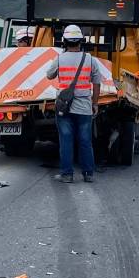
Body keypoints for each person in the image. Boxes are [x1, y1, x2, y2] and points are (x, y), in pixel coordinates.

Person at [46, 24, 106, 183]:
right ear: (81, 41)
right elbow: (97, 82)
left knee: (66, 140)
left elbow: (49, 76)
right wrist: (95, 104)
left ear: (64, 41)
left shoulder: (59, 59)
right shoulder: (90, 59)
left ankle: (67, 174)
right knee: (85, 140)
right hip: (84, 108)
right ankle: (88, 174)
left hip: (64, 108)